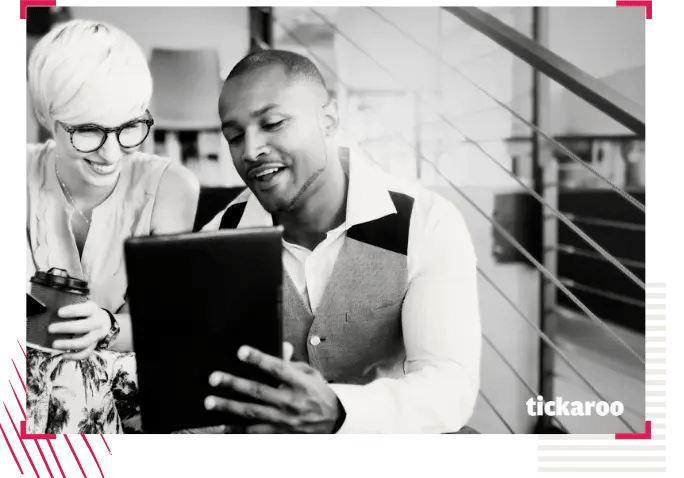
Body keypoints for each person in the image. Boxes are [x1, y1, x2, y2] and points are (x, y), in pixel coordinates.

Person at [201, 50, 481, 434]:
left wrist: (340, 410)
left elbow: (449, 387)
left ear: (329, 120)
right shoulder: (216, 242)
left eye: (273, 123)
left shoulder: (427, 222)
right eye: (234, 137)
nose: (250, 151)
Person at [25, 19, 199, 434]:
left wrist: (107, 326)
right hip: (30, 368)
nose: (111, 152)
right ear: (45, 116)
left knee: (67, 374)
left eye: (129, 127)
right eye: (88, 131)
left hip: (126, 365)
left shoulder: (170, 187)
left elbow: (163, 324)